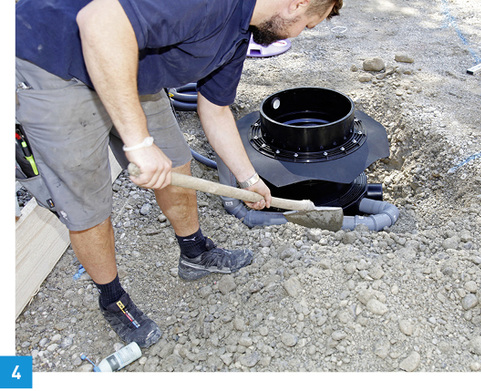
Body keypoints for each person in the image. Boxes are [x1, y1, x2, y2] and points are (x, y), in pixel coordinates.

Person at [15, 0, 343, 348]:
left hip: (129, 61)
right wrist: (138, 141)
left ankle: (195, 252)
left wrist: (250, 180)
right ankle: (113, 300)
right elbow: (99, 21)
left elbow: (215, 110)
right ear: (297, 4)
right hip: (54, 63)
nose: (299, 34)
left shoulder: (240, 31)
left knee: (175, 160)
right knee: (88, 206)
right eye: (306, 26)